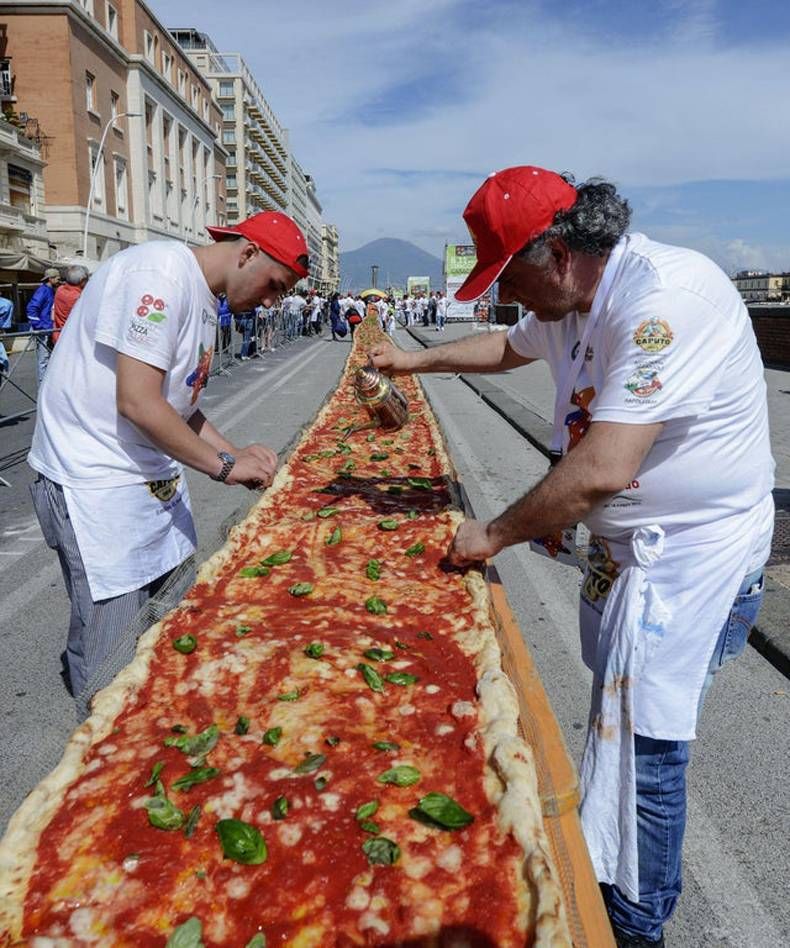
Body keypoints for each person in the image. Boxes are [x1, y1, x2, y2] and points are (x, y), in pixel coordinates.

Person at [369, 166, 774, 948]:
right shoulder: (568, 297)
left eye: (510, 277)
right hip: (629, 556)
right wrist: (412, 362)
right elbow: (504, 349)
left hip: (693, 560)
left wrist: (491, 533)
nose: (507, 297)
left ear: (555, 252)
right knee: (617, 727)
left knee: (648, 752)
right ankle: (614, 877)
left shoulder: (664, 303)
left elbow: (601, 471)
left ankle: (634, 925)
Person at [27, 211, 308, 703]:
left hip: (151, 479)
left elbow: (181, 407)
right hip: (97, 483)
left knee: (176, 630)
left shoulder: (204, 296)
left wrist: (233, 450)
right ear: (247, 253)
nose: (271, 301)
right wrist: (223, 466)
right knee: (111, 666)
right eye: (274, 284)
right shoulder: (158, 275)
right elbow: (138, 401)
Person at [26, 267, 60, 384]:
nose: (59, 280)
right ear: (50, 279)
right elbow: (31, 309)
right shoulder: (43, 291)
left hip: (47, 329)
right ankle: (42, 388)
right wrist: (41, 326)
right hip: (43, 330)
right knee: (43, 360)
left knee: (48, 359)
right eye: (57, 278)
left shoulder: (49, 290)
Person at [52, 265, 89, 345]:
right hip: (72, 339)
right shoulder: (78, 297)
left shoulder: (60, 290)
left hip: (58, 335)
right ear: (82, 280)